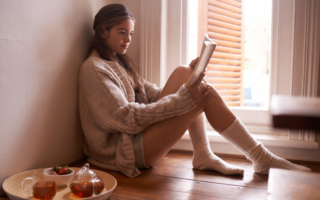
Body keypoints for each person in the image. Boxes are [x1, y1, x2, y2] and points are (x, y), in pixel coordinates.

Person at [78, 4, 311, 178]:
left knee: (186, 74)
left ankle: (204, 154)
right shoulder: (94, 70)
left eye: (130, 33)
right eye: (122, 32)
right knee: (200, 94)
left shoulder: (118, 62)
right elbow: (127, 118)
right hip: (125, 151)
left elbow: (150, 95)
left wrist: (189, 79)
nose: (128, 39)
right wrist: (182, 99)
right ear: (103, 32)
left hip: (137, 137)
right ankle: (260, 158)